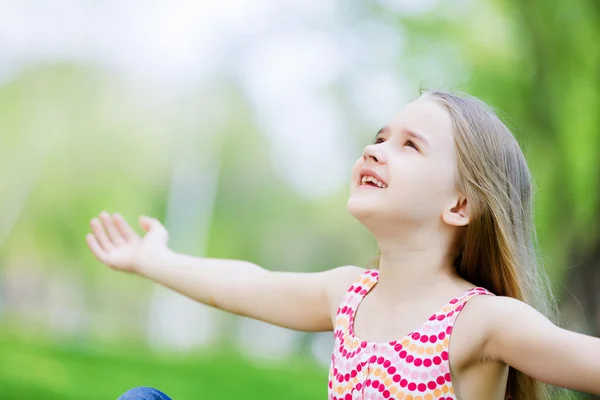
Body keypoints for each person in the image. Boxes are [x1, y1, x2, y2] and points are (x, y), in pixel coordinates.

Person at [86, 91, 600, 400]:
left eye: (409, 145)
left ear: (460, 206)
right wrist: (154, 259)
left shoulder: (481, 321)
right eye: (380, 137)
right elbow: (243, 284)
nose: (375, 150)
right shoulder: (348, 297)